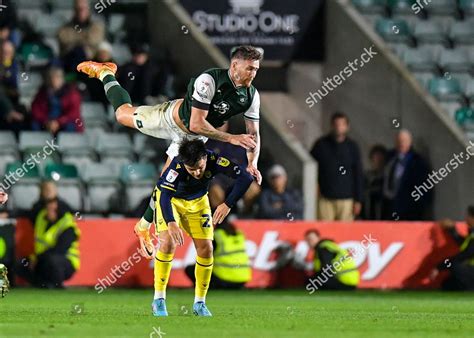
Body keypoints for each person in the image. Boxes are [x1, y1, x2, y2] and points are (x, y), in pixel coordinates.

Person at [78, 45, 263, 248]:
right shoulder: (209, 80)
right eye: (249, 68)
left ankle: (142, 226)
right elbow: (196, 123)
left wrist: (252, 163)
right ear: (234, 65)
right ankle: (106, 72)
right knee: (122, 114)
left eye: (256, 69)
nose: (253, 73)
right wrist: (230, 138)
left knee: (167, 180)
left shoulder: (251, 95)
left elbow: (253, 134)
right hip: (170, 120)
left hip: (194, 139)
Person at [145, 139, 253, 316]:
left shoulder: (214, 159)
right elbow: (164, 196)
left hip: (199, 202)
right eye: (191, 169)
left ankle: (199, 303)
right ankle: (159, 299)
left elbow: (246, 177)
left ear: (205, 157)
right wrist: (171, 222)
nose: (196, 172)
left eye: (200, 168)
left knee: (207, 249)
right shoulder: (176, 167)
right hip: (173, 202)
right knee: (167, 244)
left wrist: (227, 204)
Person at [16, 195, 80, 289]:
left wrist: (37, 258)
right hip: (42, 259)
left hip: (66, 263)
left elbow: (59, 249)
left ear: (59, 210)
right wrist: (8, 213)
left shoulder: (67, 226)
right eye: (48, 208)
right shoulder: (41, 217)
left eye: (53, 209)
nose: (49, 212)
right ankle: (43, 284)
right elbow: (26, 213)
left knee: (53, 261)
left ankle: (58, 285)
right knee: (20, 264)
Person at [310, 112, 363, 221]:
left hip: (346, 200)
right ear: (331, 125)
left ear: (347, 127)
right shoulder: (321, 145)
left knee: (345, 233)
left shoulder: (352, 147)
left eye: (342, 124)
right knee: (325, 231)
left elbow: (358, 174)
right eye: (336, 124)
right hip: (325, 198)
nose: (339, 127)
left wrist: (358, 199)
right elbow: (311, 168)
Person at [185, 217, 251, 289]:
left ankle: (203, 288)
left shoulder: (217, 236)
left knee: (191, 269)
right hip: (243, 279)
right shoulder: (239, 235)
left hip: (224, 279)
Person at [381, 129, 431, 220]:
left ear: (410, 142)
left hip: (408, 209)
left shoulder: (417, 161)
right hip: (389, 207)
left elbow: (424, 187)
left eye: (404, 141)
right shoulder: (390, 157)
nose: (401, 143)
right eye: (399, 141)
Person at [430, 206, 474, 291]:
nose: (466, 219)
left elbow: (465, 255)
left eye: (468, 216)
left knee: (454, 265)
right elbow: (464, 244)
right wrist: (452, 230)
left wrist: (440, 266)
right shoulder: (471, 234)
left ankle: (470, 288)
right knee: (447, 284)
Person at [58, 0, 105, 73]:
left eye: (83, 9)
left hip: (91, 61)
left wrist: (75, 38)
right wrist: (85, 37)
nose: (80, 12)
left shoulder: (96, 26)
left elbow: (94, 40)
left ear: (88, 10)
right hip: (69, 60)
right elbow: (63, 38)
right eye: (78, 9)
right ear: (74, 10)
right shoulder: (66, 27)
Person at [31, 67, 83, 134]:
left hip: (65, 122)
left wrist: (58, 122)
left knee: (69, 127)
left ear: (62, 79)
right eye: (51, 77)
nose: (54, 80)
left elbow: (73, 113)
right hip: (47, 122)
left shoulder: (72, 93)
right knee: (34, 125)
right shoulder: (42, 93)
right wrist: (46, 122)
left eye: (57, 77)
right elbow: (36, 110)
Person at [363, 145, 387, 220]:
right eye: (375, 158)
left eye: (380, 159)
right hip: (367, 215)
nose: (378, 161)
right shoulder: (365, 176)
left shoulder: (388, 178)